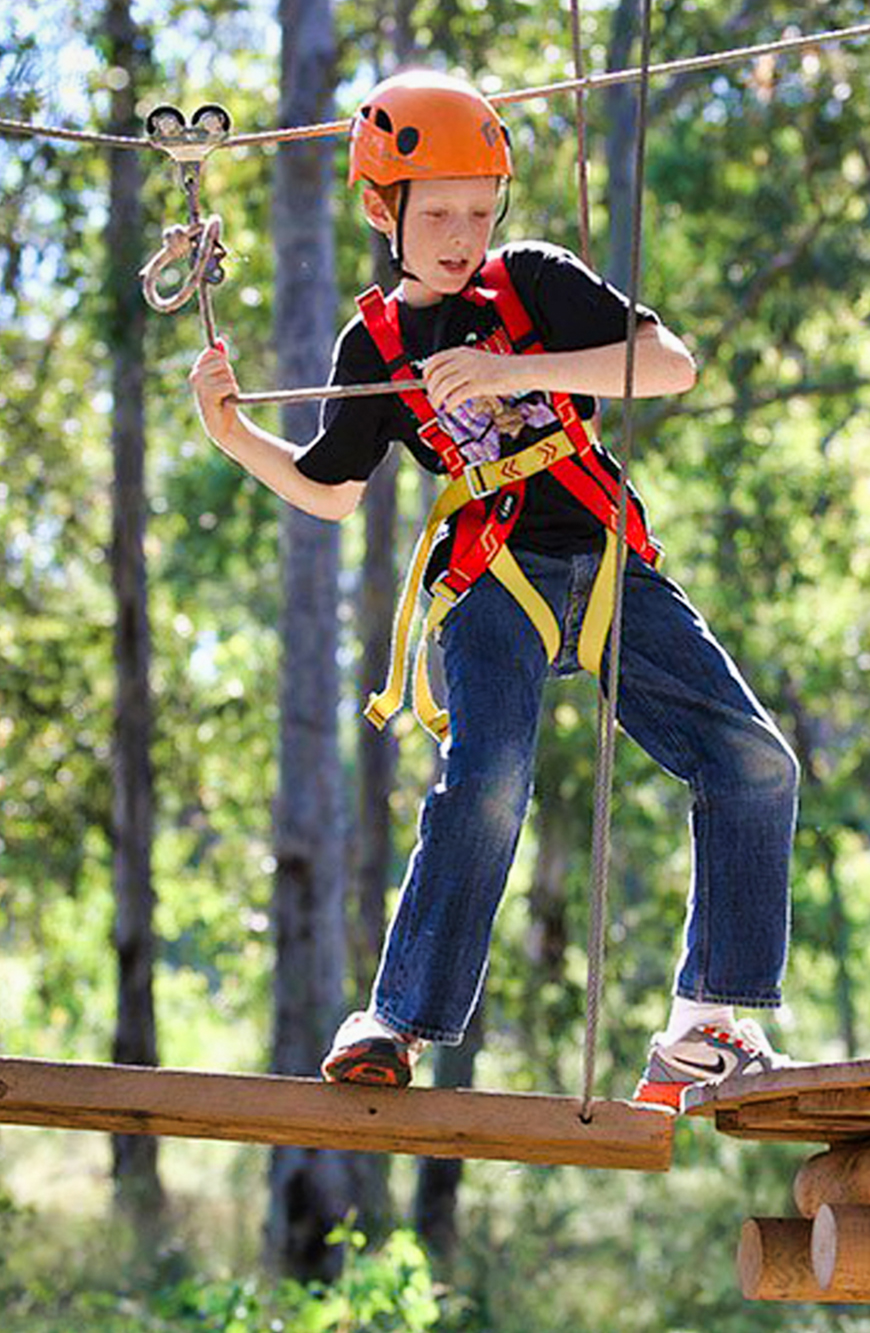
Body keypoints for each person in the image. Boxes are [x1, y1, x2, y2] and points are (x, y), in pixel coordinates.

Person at [189, 70, 799, 1111]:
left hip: (605, 560)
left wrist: (514, 372)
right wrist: (233, 432)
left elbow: (671, 366)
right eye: (436, 214)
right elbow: (333, 494)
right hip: (490, 579)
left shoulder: (534, 284)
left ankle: (706, 1025)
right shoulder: (374, 346)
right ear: (383, 211)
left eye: (479, 210)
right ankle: (396, 1021)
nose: (461, 233)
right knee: (486, 786)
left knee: (755, 764)